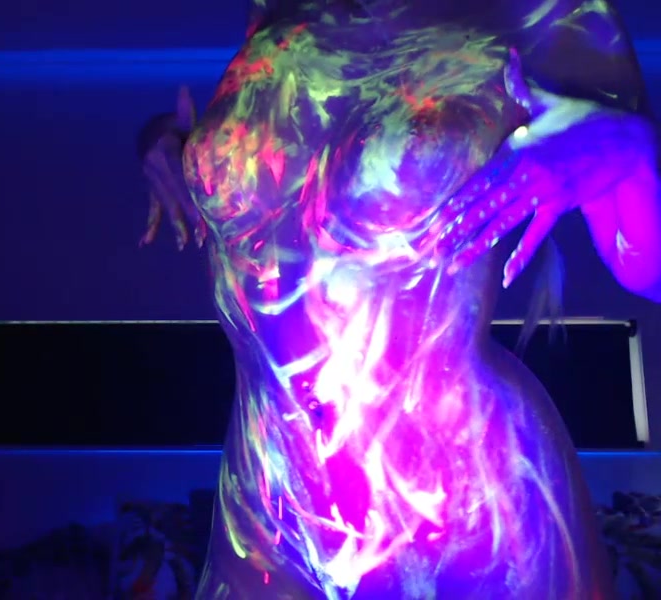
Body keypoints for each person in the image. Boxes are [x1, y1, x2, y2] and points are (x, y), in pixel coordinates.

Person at [139, 0, 661, 597]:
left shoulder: (552, 14)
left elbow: (648, 271)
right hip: (269, 507)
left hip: (469, 526)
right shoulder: (274, 10)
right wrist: (164, 144)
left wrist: (627, 146)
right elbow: (282, 176)